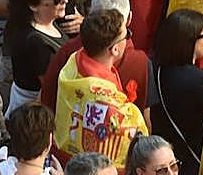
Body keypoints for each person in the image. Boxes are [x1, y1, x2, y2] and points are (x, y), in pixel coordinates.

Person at [52, 9, 147, 166]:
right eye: (127, 35)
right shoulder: (105, 99)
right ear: (115, 49)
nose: (128, 39)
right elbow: (135, 133)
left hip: (67, 155)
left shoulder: (74, 61)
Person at [5, 0, 75, 116]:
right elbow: (51, 89)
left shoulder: (47, 23)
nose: (65, 0)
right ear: (33, 5)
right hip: (34, 117)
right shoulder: (36, 44)